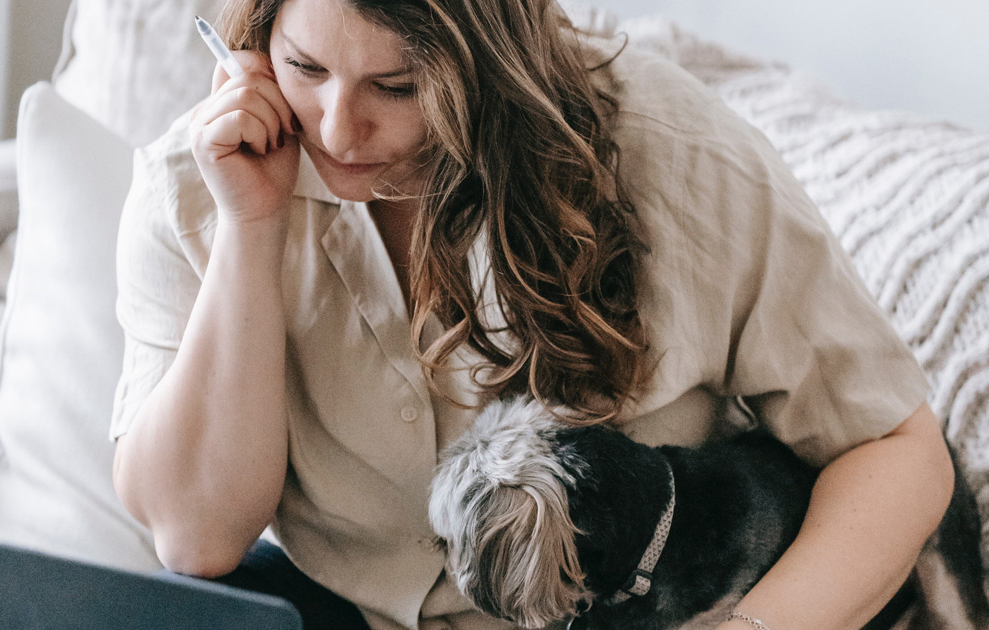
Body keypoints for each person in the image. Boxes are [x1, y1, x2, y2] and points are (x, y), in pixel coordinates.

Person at [109, 0, 955, 628]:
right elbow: (197, 539)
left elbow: (891, 447)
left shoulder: (666, 150)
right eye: (306, 69)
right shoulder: (198, 183)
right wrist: (251, 231)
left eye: (398, 86)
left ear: (490, 59)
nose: (339, 130)